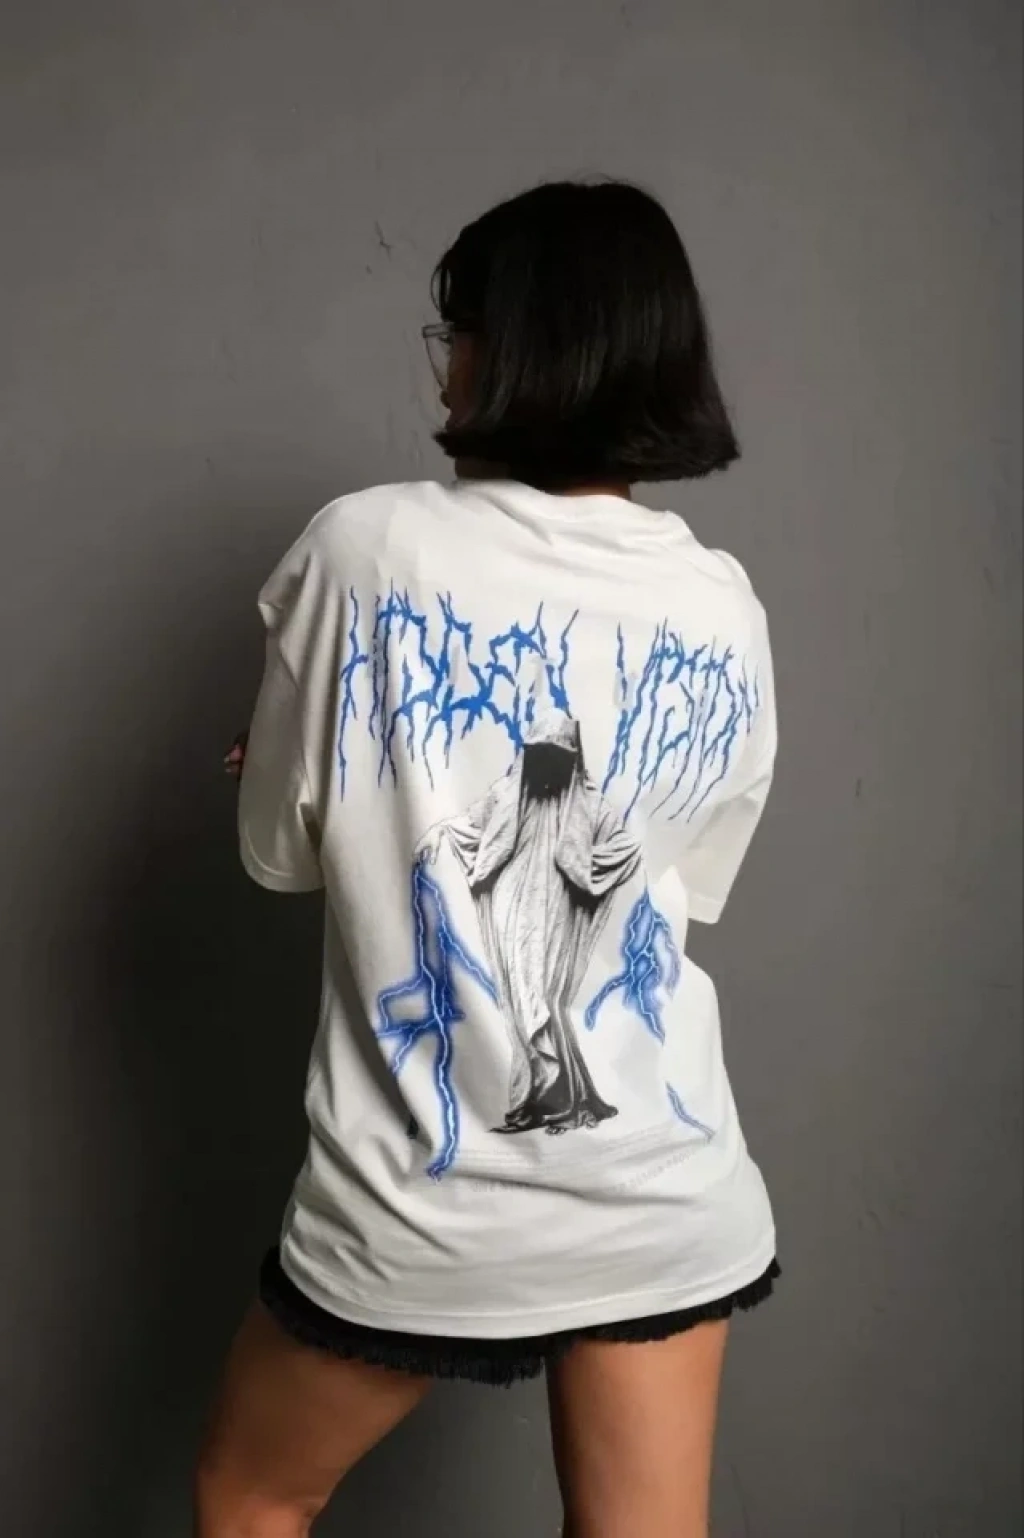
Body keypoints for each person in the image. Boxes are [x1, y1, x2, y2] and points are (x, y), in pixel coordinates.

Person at [197, 179, 779, 1538]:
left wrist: (319, 767)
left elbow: (281, 856)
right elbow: (677, 893)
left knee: (253, 1494)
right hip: (666, 1185)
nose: (444, 366)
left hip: (426, 1199)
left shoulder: (364, 548)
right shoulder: (721, 604)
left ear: (513, 349)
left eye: (455, 331)